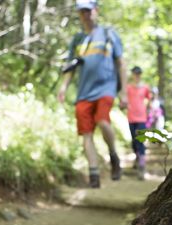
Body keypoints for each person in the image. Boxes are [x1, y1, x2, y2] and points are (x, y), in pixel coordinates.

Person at [57, 0, 127, 189]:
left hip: (106, 88)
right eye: (82, 12)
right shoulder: (78, 39)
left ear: (96, 11)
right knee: (86, 134)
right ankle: (94, 174)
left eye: (88, 11)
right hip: (83, 93)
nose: (85, 15)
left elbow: (121, 63)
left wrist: (124, 92)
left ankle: (114, 156)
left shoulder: (108, 34)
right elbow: (71, 67)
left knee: (103, 121)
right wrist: (64, 86)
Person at [126, 66, 151, 180]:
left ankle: (142, 165)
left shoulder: (145, 87)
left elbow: (149, 99)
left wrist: (149, 109)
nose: (137, 76)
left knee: (140, 141)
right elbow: (124, 100)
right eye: (135, 74)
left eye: (138, 74)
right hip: (131, 117)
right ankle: (137, 158)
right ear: (132, 74)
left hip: (142, 117)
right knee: (134, 141)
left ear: (140, 75)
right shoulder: (128, 88)